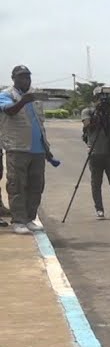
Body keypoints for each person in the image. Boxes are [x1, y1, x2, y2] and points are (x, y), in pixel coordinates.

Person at [1, 65, 53, 233]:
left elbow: (40, 123)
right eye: (22, 77)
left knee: (36, 186)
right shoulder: (6, 95)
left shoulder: (35, 97)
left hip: (37, 150)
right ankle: (19, 221)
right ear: (13, 78)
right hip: (17, 148)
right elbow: (9, 111)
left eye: (28, 77)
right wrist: (24, 100)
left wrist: (46, 148)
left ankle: (30, 218)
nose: (26, 80)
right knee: (17, 185)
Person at [80, 88, 110, 220]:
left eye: (106, 97)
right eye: (101, 97)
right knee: (96, 183)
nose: (103, 99)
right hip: (95, 153)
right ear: (95, 99)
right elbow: (88, 125)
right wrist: (98, 113)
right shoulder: (88, 111)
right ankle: (99, 209)